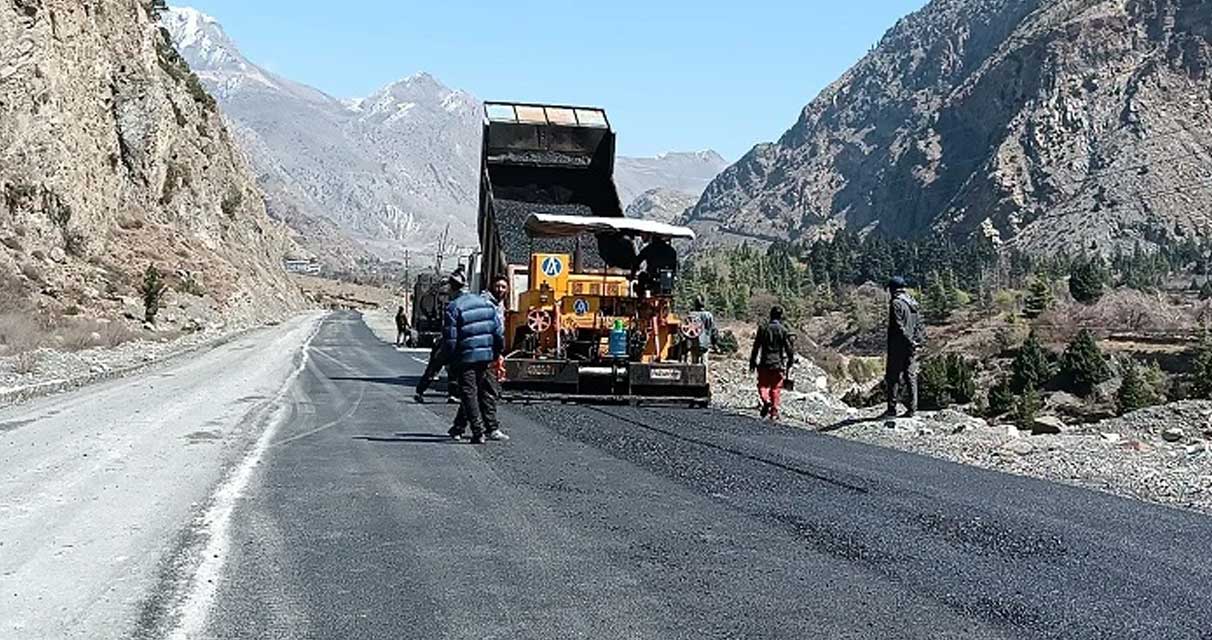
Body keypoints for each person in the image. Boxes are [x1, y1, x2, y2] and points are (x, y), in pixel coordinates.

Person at [443, 270, 507, 444]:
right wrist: (496, 353)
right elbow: (498, 332)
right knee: (474, 391)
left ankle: (478, 431)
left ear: (452, 288)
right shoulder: (486, 304)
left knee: (469, 393)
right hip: (485, 356)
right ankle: (458, 427)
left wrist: (449, 361)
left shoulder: (453, 307)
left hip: (466, 357)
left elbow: (450, 340)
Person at [884, 276, 924, 418]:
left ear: (892, 289)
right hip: (911, 346)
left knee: (893, 377)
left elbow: (899, 326)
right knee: (910, 376)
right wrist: (917, 341)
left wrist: (908, 340)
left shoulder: (895, 303)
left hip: (898, 346)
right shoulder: (912, 302)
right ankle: (913, 408)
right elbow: (919, 324)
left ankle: (892, 409)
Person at [749, 306, 796, 420]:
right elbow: (788, 348)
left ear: (770, 315)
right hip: (777, 363)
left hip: (764, 362)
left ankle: (766, 401)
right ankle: (774, 411)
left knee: (763, 385)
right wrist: (790, 360)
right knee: (776, 387)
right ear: (781, 316)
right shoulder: (783, 330)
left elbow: (756, 347)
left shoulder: (763, 329)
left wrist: (752, 361)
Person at [686, 295, 716, 365]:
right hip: (705, 344)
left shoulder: (691, 315)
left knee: (694, 364)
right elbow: (713, 330)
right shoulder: (708, 315)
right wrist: (714, 342)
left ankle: (694, 375)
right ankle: (703, 375)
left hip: (693, 343)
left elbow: (686, 330)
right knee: (704, 363)